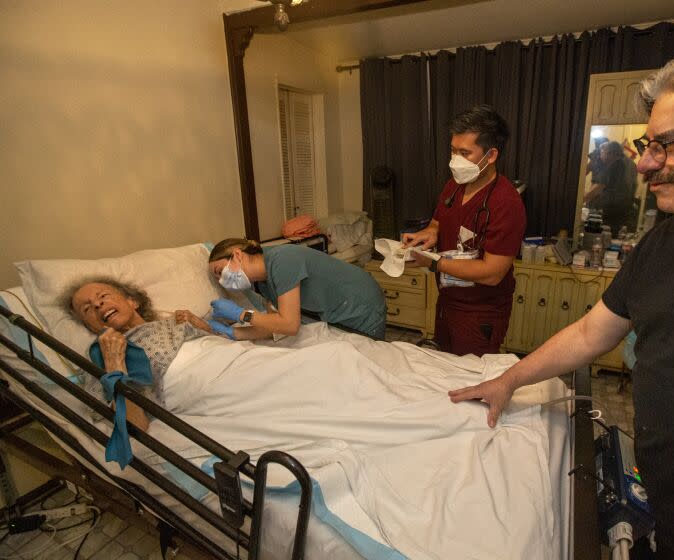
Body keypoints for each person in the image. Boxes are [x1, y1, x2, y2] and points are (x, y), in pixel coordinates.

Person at [449, 41, 674, 559]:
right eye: (646, 145)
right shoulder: (669, 239)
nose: (646, 166)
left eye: (670, 145)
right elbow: (592, 332)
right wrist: (509, 379)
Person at [402, 105, 526, 356]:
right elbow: (439, 222)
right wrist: (429, 233)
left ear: (490, 155)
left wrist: (433, 262)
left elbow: (492, 273)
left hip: (480, 313)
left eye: (464, 153)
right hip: (447, 302)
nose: (454, 160)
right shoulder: (454, 186)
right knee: (445, 368)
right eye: (452, 151)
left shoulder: (506, 203)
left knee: (470, 382)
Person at [64, 277, 216, 432]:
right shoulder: (101, 358)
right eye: (87, 309)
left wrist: (207, 330)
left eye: (103, 296)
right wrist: (114, 366)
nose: (97, 304)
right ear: (91, 328)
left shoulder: (176, 323)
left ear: (132, 302)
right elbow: (135, 426)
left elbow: (226, 347)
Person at [207, 238, 386, 340]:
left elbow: (290, 325)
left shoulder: (282, 260)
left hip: (361, 305)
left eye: (220, 272)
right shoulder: (263, 283)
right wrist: (232, 333)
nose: (222, 281)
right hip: (337, 313)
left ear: (237, 255)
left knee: (370, 365)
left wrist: (241, 314)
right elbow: (274, 327)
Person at [584, 140, 638, 233]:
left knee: (604, 232)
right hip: (621, 208)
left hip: (611, 209)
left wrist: (581, 201)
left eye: (602, 153)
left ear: (609, 153)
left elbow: (599, 187)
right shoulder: (621, 162)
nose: (601, 157)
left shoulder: (615, 164)